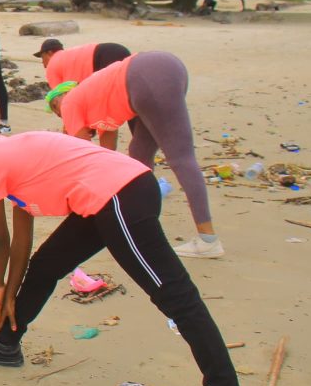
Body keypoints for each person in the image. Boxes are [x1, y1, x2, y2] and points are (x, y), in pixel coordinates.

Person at [0, 116, 248, 386]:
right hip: (111, 196)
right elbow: (22, 240)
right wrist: (9, 295)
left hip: (120, 197)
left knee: (178, 299)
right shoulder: (16, 152)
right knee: (46, 264)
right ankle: (4, 343)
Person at [44, 52, 223, 258]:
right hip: (163, 69)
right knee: (139, 155)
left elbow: (81, 153)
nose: (59, 114)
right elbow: (105, 154)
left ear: (62, 97)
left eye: (55, 107)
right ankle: (140, 224)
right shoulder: (96, 100)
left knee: (180, 157)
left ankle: (208, 239)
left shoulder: (70, 102)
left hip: (144, 76)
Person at [34, 39, 132, 88]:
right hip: (116, 50)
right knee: (130, 96)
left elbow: (58, 96)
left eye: (42, 58)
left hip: (103, 58)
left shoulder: (53, 64)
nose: (43, 64)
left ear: (49, 53)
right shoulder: (71, 55)